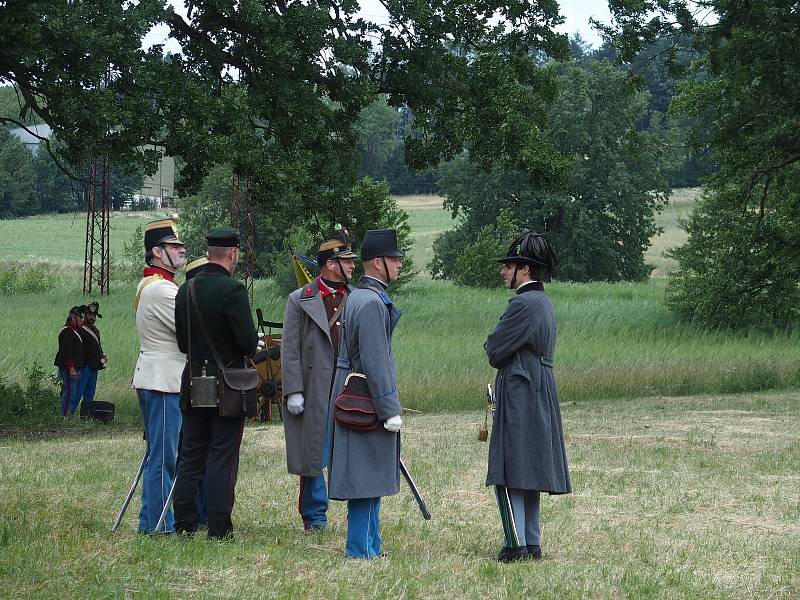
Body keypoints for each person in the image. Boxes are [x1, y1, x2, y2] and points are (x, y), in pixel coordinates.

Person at [485, 231, 571, 562]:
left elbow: (494, 349)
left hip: (522, 390)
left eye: (509, 266)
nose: (503, 272)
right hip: (536, 387)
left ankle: (515, 544)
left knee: (511, 468)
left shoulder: (522, 303)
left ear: (525, 270)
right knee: (529, 468)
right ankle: (530, 542)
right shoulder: (542, 301)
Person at [173, 228, 259, 540]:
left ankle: (183, 522)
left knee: (191, 453)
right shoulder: (233, 291)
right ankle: (219, 526)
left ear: (209, 253)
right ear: (233, 254)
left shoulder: (186, 290)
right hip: (227, 386)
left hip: (194, 380)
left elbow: (183, 344)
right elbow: (249, 343)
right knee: (223, 454)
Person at [328, 229, 404, 559]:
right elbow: (376, 361)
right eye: (394, 259)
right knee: (364, 474)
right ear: (377, 263)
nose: (399, 264)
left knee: (368, 472)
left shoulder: (360, 295)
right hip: (365, 395)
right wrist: (390, 408)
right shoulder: (371, 303)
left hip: (354, 389)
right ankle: (360, 548)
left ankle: (371, 545)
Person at [282, 229, 357, 532]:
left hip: (347, 382)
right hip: (314, 384)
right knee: (313, 450)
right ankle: (314, 516)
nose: (353, 266)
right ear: (330, 265)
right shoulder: (301, 299)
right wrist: (294, 390)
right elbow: (290, 349)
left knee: (352, 446)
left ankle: (355, 504)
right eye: (346, 261)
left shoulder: (356, 298)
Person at [132, 218, 187, 533]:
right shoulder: (162, 289)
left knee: (159, 456)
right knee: (164, 458)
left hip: (156, 376)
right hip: (163, 380)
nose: (181, 251)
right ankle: (159, 525)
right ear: (156, 251)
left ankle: (149, 521)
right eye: (174, 246)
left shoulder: (153, 284)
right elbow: (189, 332)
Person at [55, 305, 85, 417]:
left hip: (74, 367)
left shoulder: (74, 331)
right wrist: (71, 368)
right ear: (73, 319)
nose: (82, 320)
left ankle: (66, 414)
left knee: (71, 392)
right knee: (69, 393)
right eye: (80, 318)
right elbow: (66, 351)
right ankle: (64, 416)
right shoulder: (67, 331)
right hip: (68, 368)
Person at [77, 301, 106, 416]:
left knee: (90, 393)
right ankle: (69, 414)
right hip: (84, 366)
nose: (92, 318)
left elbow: (97, 346)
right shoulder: (81, 329)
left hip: (94, 366)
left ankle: (86, 415)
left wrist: (101, 356)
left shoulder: (95, 330)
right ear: (85, 315)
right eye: (89, 315)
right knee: (78, 392)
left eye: (93, 316)